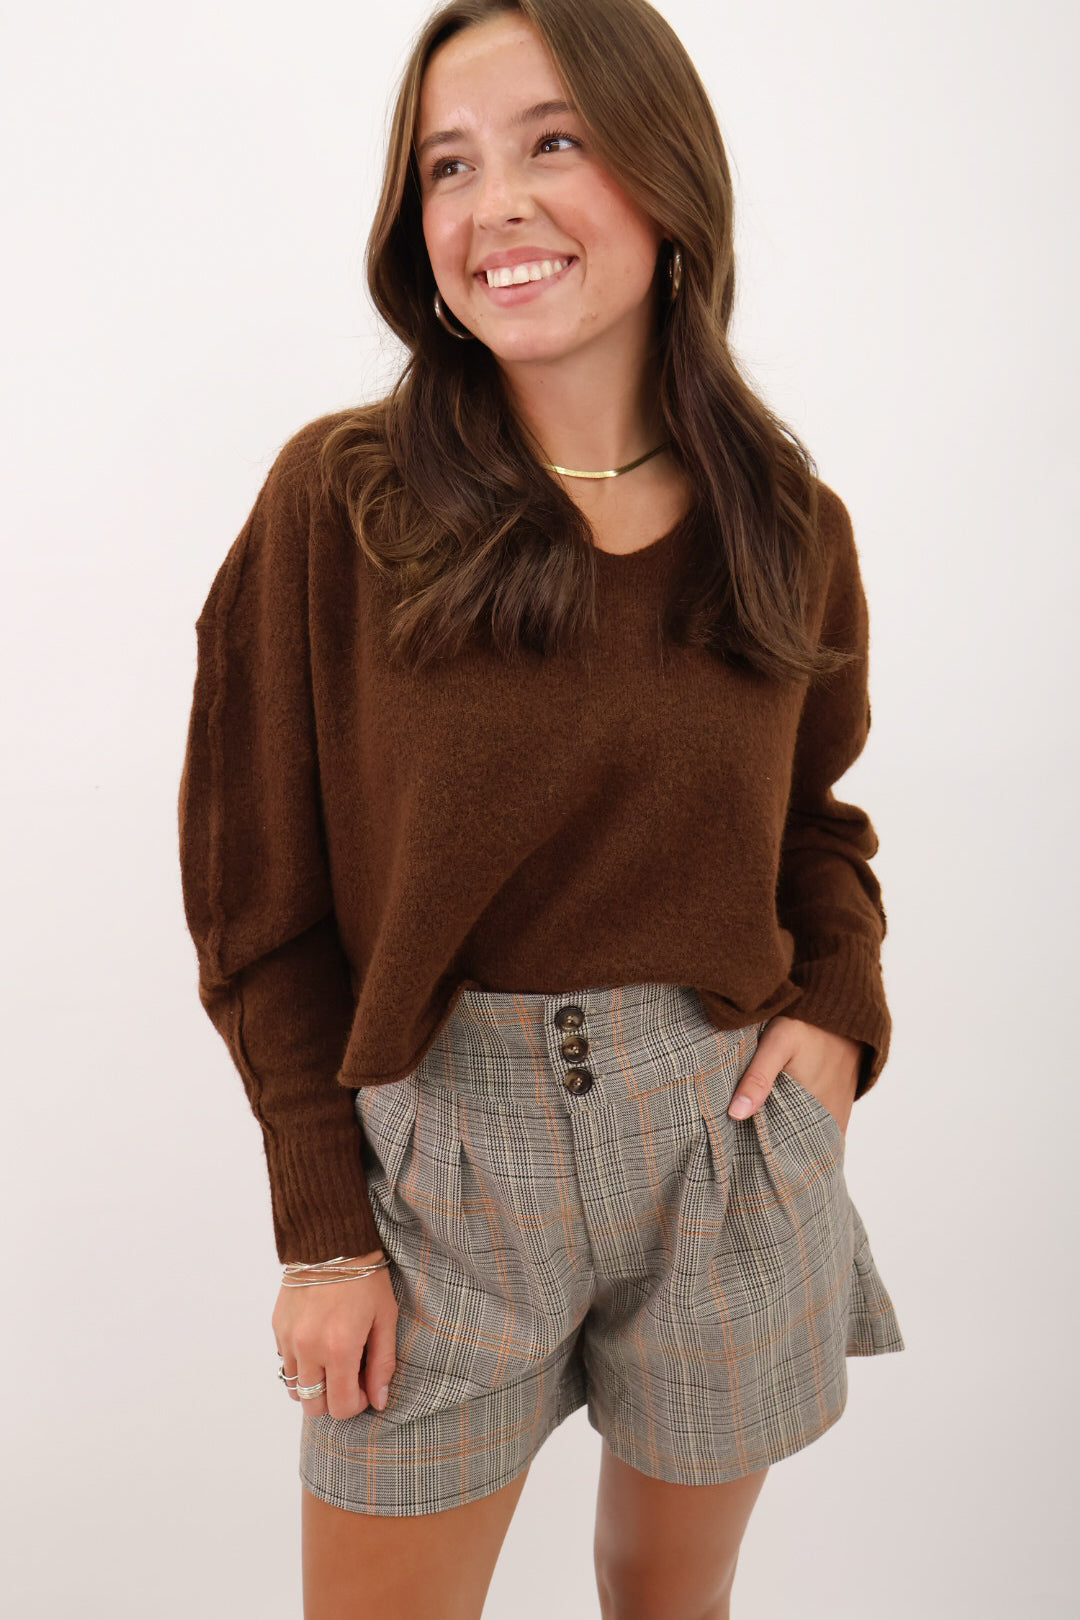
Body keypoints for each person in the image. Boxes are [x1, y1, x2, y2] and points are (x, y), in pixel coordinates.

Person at [177, 1, 906, 1615]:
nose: (493, 202)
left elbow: (814, 823)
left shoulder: (785, 522)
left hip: (723, 1138)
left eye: (552, 142)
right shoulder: (341, 503)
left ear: (667, 175)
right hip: (444, 1158)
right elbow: (254, 904)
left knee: (670, 1602)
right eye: (448, 166)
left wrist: (839, 1017)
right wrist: (324, 1232)